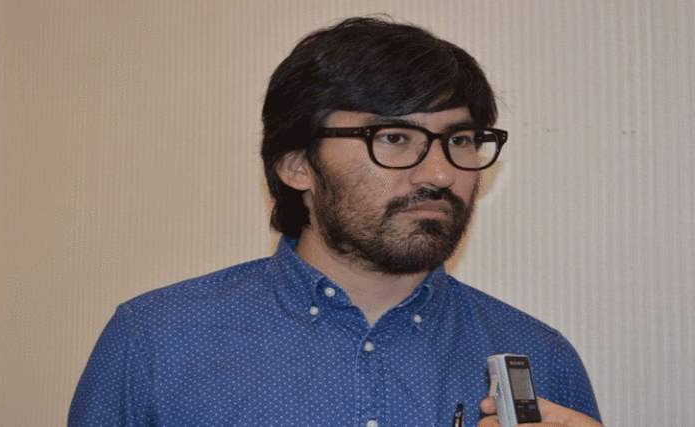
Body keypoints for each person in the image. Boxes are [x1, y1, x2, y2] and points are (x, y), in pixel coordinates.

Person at [68, 16, 603, 427]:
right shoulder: (157, 340)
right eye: (394, 138)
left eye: (459, 140)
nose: (442, 173)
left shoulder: (542, 358)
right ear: (298, 165)